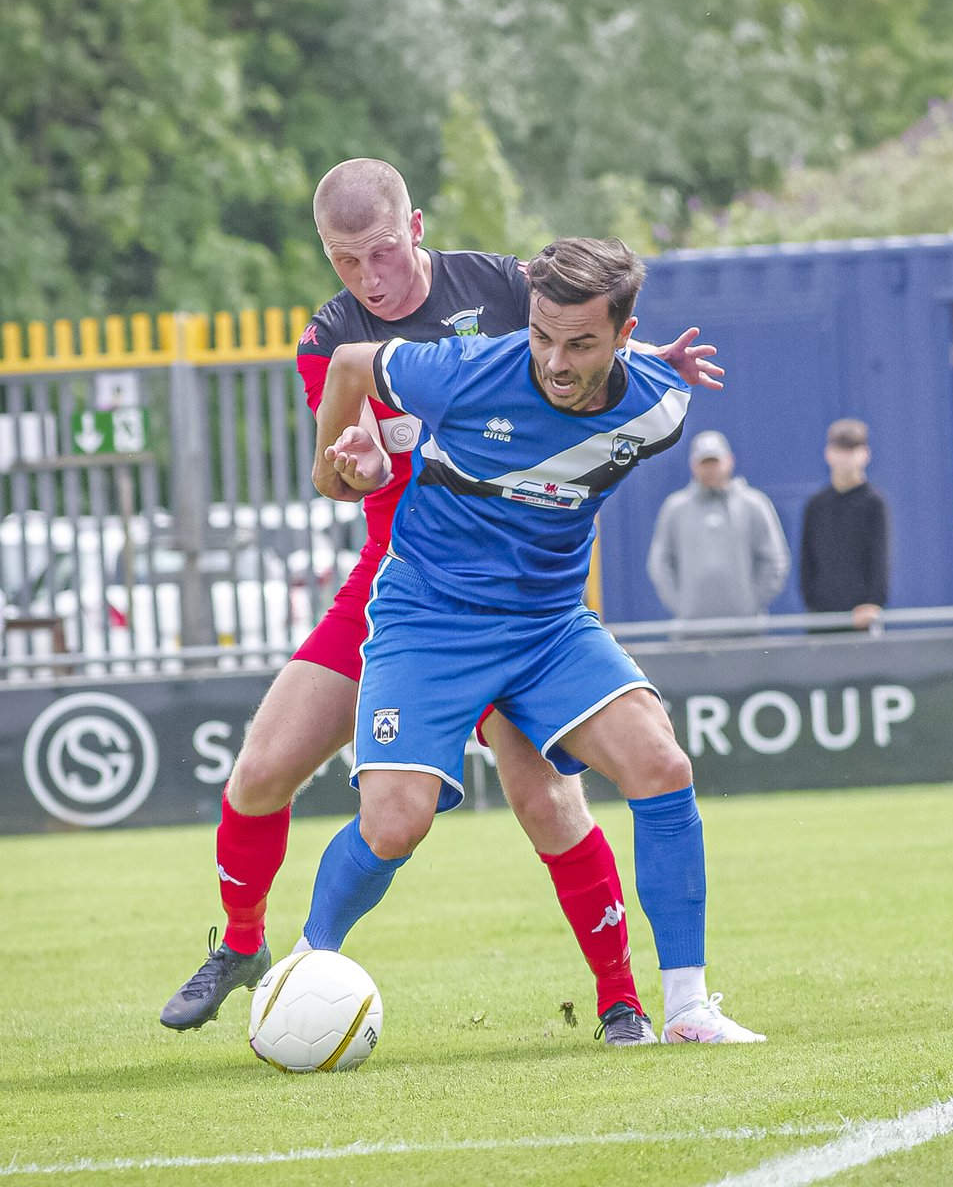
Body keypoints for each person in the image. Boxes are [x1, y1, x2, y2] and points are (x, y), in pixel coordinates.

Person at [161, 159, 722, 1047]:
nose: (366, 279)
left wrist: (653, 358)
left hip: (525, 590)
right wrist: (351, 474)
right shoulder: (331, 337)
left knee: (548, 802)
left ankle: (625, 1001)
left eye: (380, 253)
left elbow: (574, 345)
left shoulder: (502, 284)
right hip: (404, 578)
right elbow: (351, 467)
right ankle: (245, 950)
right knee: (265, 768)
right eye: (344, 262)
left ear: (415, 227)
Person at [302, 236, 764, 1044]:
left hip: (548, 625)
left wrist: (653, 357)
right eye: (542, 334)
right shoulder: (464, 369)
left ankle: (687, 1007)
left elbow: (642, 375)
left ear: (624, 336)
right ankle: (303, 968)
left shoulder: (661, 405)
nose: (552, 359)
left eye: (579, 342)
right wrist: (332, 469)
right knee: (394, 825)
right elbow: (345, 363)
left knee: (661, 763)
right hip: (431, 616)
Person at [647, 429, 790, 620]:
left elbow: (775, 560)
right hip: (691, 632)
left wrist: (750, 604)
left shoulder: (754, 504)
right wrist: (682, 606)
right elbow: (659, 563)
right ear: (693, 465)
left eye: (715, 462)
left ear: (729, 460)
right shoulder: (675, 508)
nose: (710, 469)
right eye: (704, 463)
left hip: (746, 631)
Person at [799, 417, 890, 630]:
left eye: (852, 450)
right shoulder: (816, 505)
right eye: (840, 449)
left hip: (861, 618)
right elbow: (807, 559)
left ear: (865, 454)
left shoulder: (874, 504)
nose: (845, 457)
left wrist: (872, 603)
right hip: (821, 617)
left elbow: (880, 558)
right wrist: (812, 602)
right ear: (828, 454)